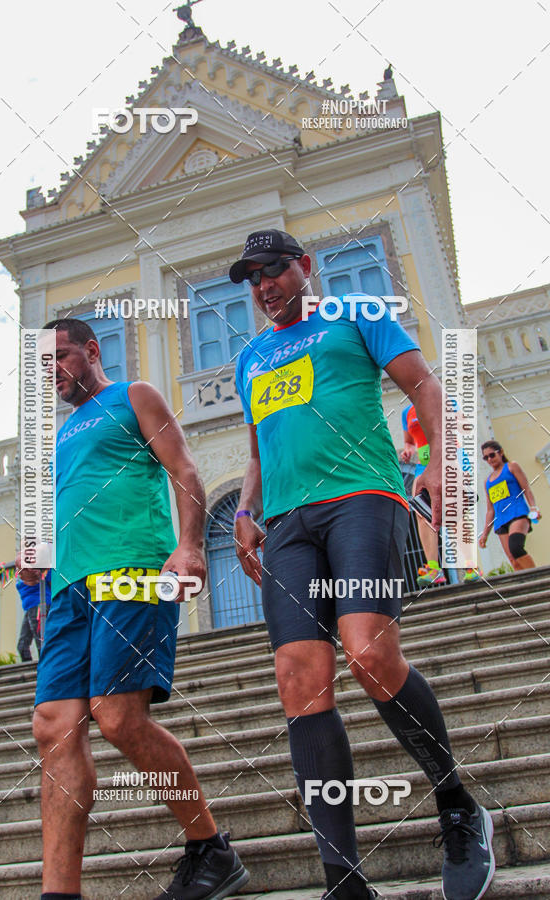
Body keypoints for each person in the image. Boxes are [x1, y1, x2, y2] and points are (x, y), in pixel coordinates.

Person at [231, 229, 495, 900]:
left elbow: (424, 383)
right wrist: (246, 509)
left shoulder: (358, 314)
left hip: (362, 499)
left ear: (304, 266)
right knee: (299, 680)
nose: (263, 285)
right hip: (287, 524)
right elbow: (259, 449)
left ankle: (457, 806)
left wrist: (441, 462)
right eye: (252, 277)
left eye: (273, 269)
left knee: (369, 654)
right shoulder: (250, 358)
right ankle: (343, 880)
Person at [20, 319, 248, 900]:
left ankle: (210, 848)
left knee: (119, 718)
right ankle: (59, 893)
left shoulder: (134, 396)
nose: (52, 373)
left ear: (92, 350)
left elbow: (185, 469)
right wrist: (36, 558)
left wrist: (191, 545)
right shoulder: (60, 436)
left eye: (60, 357)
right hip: (68, 591)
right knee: (53, 727)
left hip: (134, 573)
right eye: (42, 366)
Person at [401, 404, 480, 587]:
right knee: (421, 511)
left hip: (450, 457)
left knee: (455, 513)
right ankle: (434, 568)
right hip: (424, 464)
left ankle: (470, 565)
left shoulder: (442, 397)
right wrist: (408, 450)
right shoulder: (407, 412)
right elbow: (409, 442)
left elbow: (466, 426)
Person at [478, 440, 540, 570]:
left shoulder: (512, 467)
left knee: (516, 547)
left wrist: (533, 507)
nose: (489, 459)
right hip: (500, 521)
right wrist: (485, 534)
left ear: (500, 452)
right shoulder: (487, 482)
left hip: (517, 514)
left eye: (492, 455)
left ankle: (541, 577)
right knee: (514, 561)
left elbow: (526, 489)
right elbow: (490, 510)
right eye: (486, 457)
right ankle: (526, 582)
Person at [16, 571, 51, 662]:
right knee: (22, 646)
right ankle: (35, 668)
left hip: (39, 605)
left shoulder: (41, 566)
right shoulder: (19, 569)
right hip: (29, 608)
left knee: (41, 642)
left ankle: (45, 665)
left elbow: (51, 581)